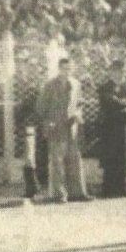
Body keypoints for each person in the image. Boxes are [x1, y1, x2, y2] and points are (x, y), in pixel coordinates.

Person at [37, 56, 93, 203]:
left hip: (72, 126)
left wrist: (78, 115)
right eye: (64, 68)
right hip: (56, 127)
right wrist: (49, 121)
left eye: (69, 68)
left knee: (75, 159)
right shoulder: (49, 85)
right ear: (59, 69)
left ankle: (78, 192)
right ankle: (59, 194)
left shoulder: (76, 84)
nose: (67, 71)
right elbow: (41, 107)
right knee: (57, 162)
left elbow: (79, 103)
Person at [96, 59, 126, 198]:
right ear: (111, 72)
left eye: (122, 72)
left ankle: (120, 188)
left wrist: (125, 104)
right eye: (117, 72)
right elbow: (111, 102)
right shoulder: (105, 87)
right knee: (110, 158)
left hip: (124, 127)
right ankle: (108, 189)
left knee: (123, 157)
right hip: (109, 128)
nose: (120, 75)